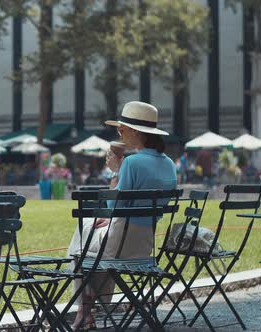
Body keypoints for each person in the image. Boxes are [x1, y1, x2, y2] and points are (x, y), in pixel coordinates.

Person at [67, 101, 177, 329]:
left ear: (136, 132)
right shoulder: (169, 165)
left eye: (122, 129)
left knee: (82, 239)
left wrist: (115, 171)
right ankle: (89, 309)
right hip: (145, 245)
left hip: (120, 244)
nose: (119, 133)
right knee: (93, 246)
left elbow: (112, 206)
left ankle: (84, 310)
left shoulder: (131, 163)